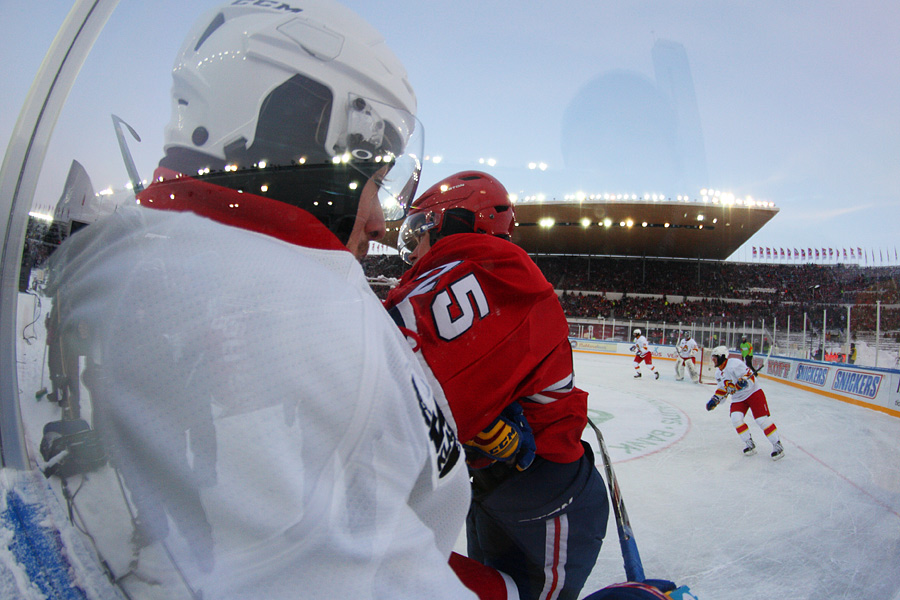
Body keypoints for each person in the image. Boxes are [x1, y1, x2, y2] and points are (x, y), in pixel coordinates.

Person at [42, 3, 478, 598]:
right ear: (304, 125)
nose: (376, 220)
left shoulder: (110, 255)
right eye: (373, 177)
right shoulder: (315, 318)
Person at [383, 171, 610, 600]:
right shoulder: (479, 269)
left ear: (457, 223)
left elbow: (388, 354)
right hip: (504, 489)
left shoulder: (496, 267)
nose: (413, 248)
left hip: (543, 494)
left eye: (421, 231)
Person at [706, 346, 784, 460]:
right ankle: (749, 444)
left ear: (722, 357)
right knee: (735, 418)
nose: (713, 360)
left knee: (761, 420)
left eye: (715, 358)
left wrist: (745, 382)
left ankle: (778, 446)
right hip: (738, 398)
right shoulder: (719, 374)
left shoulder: (735, 364)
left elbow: (750, 377)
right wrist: (715, 400)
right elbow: (722, 390)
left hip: (753, 393)